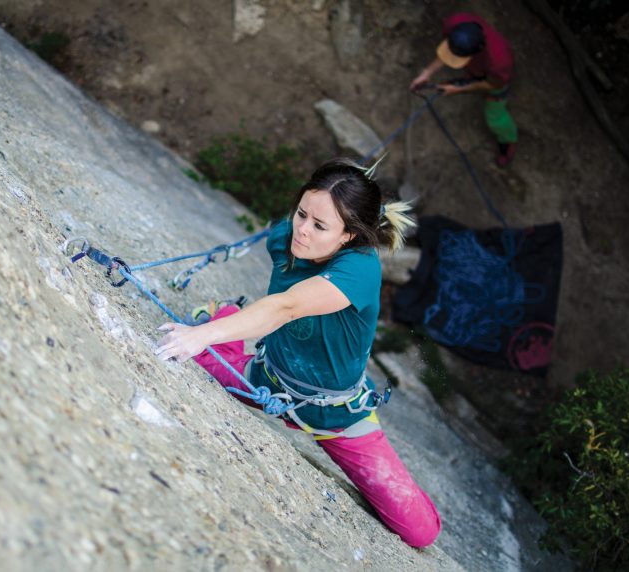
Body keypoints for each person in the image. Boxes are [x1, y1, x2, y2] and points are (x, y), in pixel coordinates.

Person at [155, 159, 441, 548]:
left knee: (421, 532)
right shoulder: (284, 238)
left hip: (336, 413)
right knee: (190, 357)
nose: (302, 230)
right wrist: (204, 336)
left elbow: (286, 307)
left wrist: (202, 334)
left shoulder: (359, 269)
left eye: (319, 225)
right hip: (266, 380)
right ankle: (226, 316)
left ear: (349, 237)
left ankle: (222, 322)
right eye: (301, 214)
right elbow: (278, 309)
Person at [410, 13, 518, 168]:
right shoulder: (455, 23)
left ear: (476, 52)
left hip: (493, 79)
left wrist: (459, 88)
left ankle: (508, 141)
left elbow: (494, 84)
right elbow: (449, 49)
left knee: (495, 117)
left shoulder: (499, 62)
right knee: (471, 74)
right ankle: (471, 75)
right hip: (477, 67)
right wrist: (427, 72)